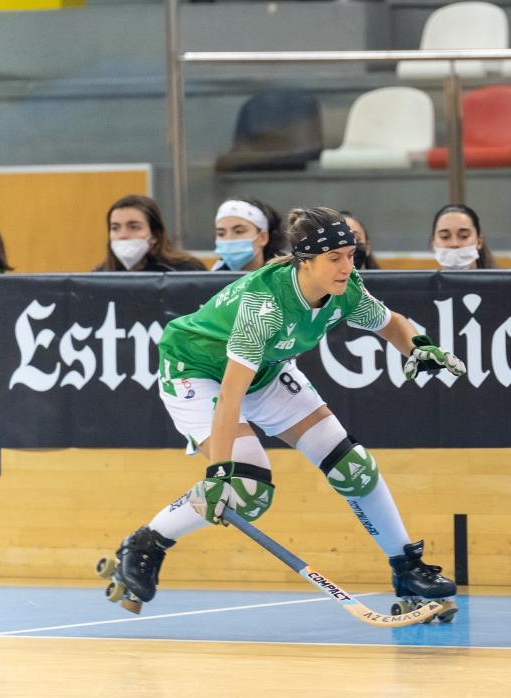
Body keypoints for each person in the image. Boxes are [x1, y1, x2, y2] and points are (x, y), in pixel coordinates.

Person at [106, 207, 465, 616]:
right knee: (246, 488)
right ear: (305, 261)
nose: (347, 266)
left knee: (353, 467)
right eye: (335, 258)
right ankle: (148, 540)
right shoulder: (265, 307)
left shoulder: (344, 287)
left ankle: (407, 567)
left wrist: (418, 347)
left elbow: (392, 323)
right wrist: (220, 472)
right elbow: (230, 396)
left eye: (350, 254)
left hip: (267, 369)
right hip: (197, 371)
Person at [94, 194, 206, 272]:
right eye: (115, 228)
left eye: (134, 227)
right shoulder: (99, 276)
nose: (123, 235)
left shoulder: (187, 271)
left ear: (155, 235)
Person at [212, 197, 289, 272]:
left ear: (263, 237)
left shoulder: (285, 277)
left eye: (239, 231)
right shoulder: (212, 278)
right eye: (221, 234)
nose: (228, 239)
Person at [430, 204, 496, 270]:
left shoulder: (501, 280)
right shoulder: (424, 280)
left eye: (464, 236)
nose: (454, 244)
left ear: (479, 242)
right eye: (445, 237)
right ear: (433, 243)